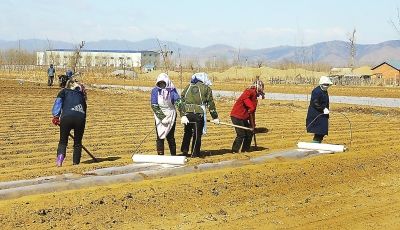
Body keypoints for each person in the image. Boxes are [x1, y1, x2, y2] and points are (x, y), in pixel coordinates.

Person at [180, 72, 219, 157]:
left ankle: (184, 150)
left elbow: (182, 98)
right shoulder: (206, 88)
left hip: (187, 114)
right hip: (198, 114)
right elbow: (210, 103)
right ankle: (195, 153)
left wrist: (183, 113)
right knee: (197, 134)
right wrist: (215, 117)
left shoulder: (189, 86)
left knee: (187, 132)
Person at [51, 74, 87, 166]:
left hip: (66, 118)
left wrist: (56, 116)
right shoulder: (82, 96)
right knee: (78, 143)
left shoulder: (63, 92)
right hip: (80, 119)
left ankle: (60, 159)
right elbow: (84, 110)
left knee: (63, 141)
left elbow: (58, 103)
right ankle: (76, 163)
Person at [150, 73, 183, 155]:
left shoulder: (172, 90)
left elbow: (178, 102)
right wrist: (162, 118)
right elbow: (154, 105)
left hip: (171, 114)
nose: (162, 85)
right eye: (160, 83)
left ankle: (173, 155)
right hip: (159, 115)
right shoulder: (155, 91)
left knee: (170, 136)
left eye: (163, 83)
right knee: (160, 136)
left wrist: (183, 115)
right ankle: (161, 156)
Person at [230, 79, 265, 153]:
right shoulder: (249, 91)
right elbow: (245, 99)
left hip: (243, 117)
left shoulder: (255, 97)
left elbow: (252, 112)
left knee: (249, 132)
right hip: (237, 116)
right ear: (258, 87)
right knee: (241, 134)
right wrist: (251, 107)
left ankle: (245, 150)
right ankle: (234, 150)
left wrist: (253, 125)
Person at [306, 75, 333, 143]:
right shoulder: (316, 91)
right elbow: (315, 103)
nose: (326, 86)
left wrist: (326, 109)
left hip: (323, 114)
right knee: (319, 130)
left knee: (322, 131)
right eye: (325, 84)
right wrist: (323, 109)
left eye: (327, 85)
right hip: (316, 113)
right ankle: (315, 143)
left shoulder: (325, 91)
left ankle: (317, 142)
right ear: (321, 84)